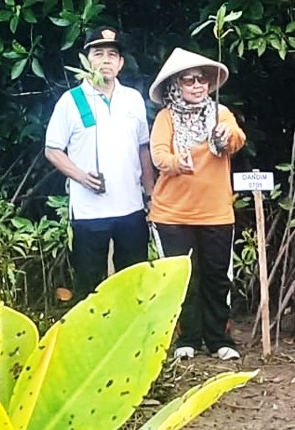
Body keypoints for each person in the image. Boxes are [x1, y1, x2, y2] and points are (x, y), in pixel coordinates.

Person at [147, 48, 246, 361]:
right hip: (172, 213)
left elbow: (237, 140)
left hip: (216, 212)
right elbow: (158, 155)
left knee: (217, 277)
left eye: (201, 79)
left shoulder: (220, 113)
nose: (197, 85)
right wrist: (178, 163)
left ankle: (219, 340)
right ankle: (186, 339)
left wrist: (226, 133)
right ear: (176, 85)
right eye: (188, 80)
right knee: (182, 279)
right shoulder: (165, 117)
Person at [44, 27, 154, 302]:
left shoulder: (133, 98)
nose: (106, 60)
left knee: (133, 281)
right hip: (89, 211)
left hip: (131, 207)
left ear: (121, 63)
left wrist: (151, 193)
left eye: (112, 54)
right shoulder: (72, 100)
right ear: (86, 60)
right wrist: (82, 176)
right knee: (89, 286)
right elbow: (52, 149)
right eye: (98, 53)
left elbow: (143, 147)